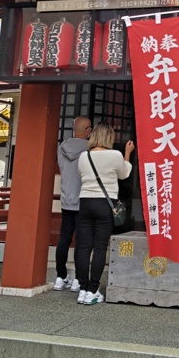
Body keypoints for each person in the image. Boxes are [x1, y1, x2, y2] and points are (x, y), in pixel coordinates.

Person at [74, 123, 134, 305]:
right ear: (109, 137)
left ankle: (82, 289)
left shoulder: (84, 156)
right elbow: (124, 174)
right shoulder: (115, 155)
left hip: (85, 202)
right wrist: (128, 153)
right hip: (104, 204)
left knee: (83, 247)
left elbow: (81, 175)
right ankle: (93, 289)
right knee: (100, 247)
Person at [55, 115, 91, 293]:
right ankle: (78, 278)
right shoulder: (89, 149)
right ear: (88, 130)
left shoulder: (62, 147)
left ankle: (60, 277)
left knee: (64, 239)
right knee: (81, 241)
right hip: (83, 200)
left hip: (65, 199)